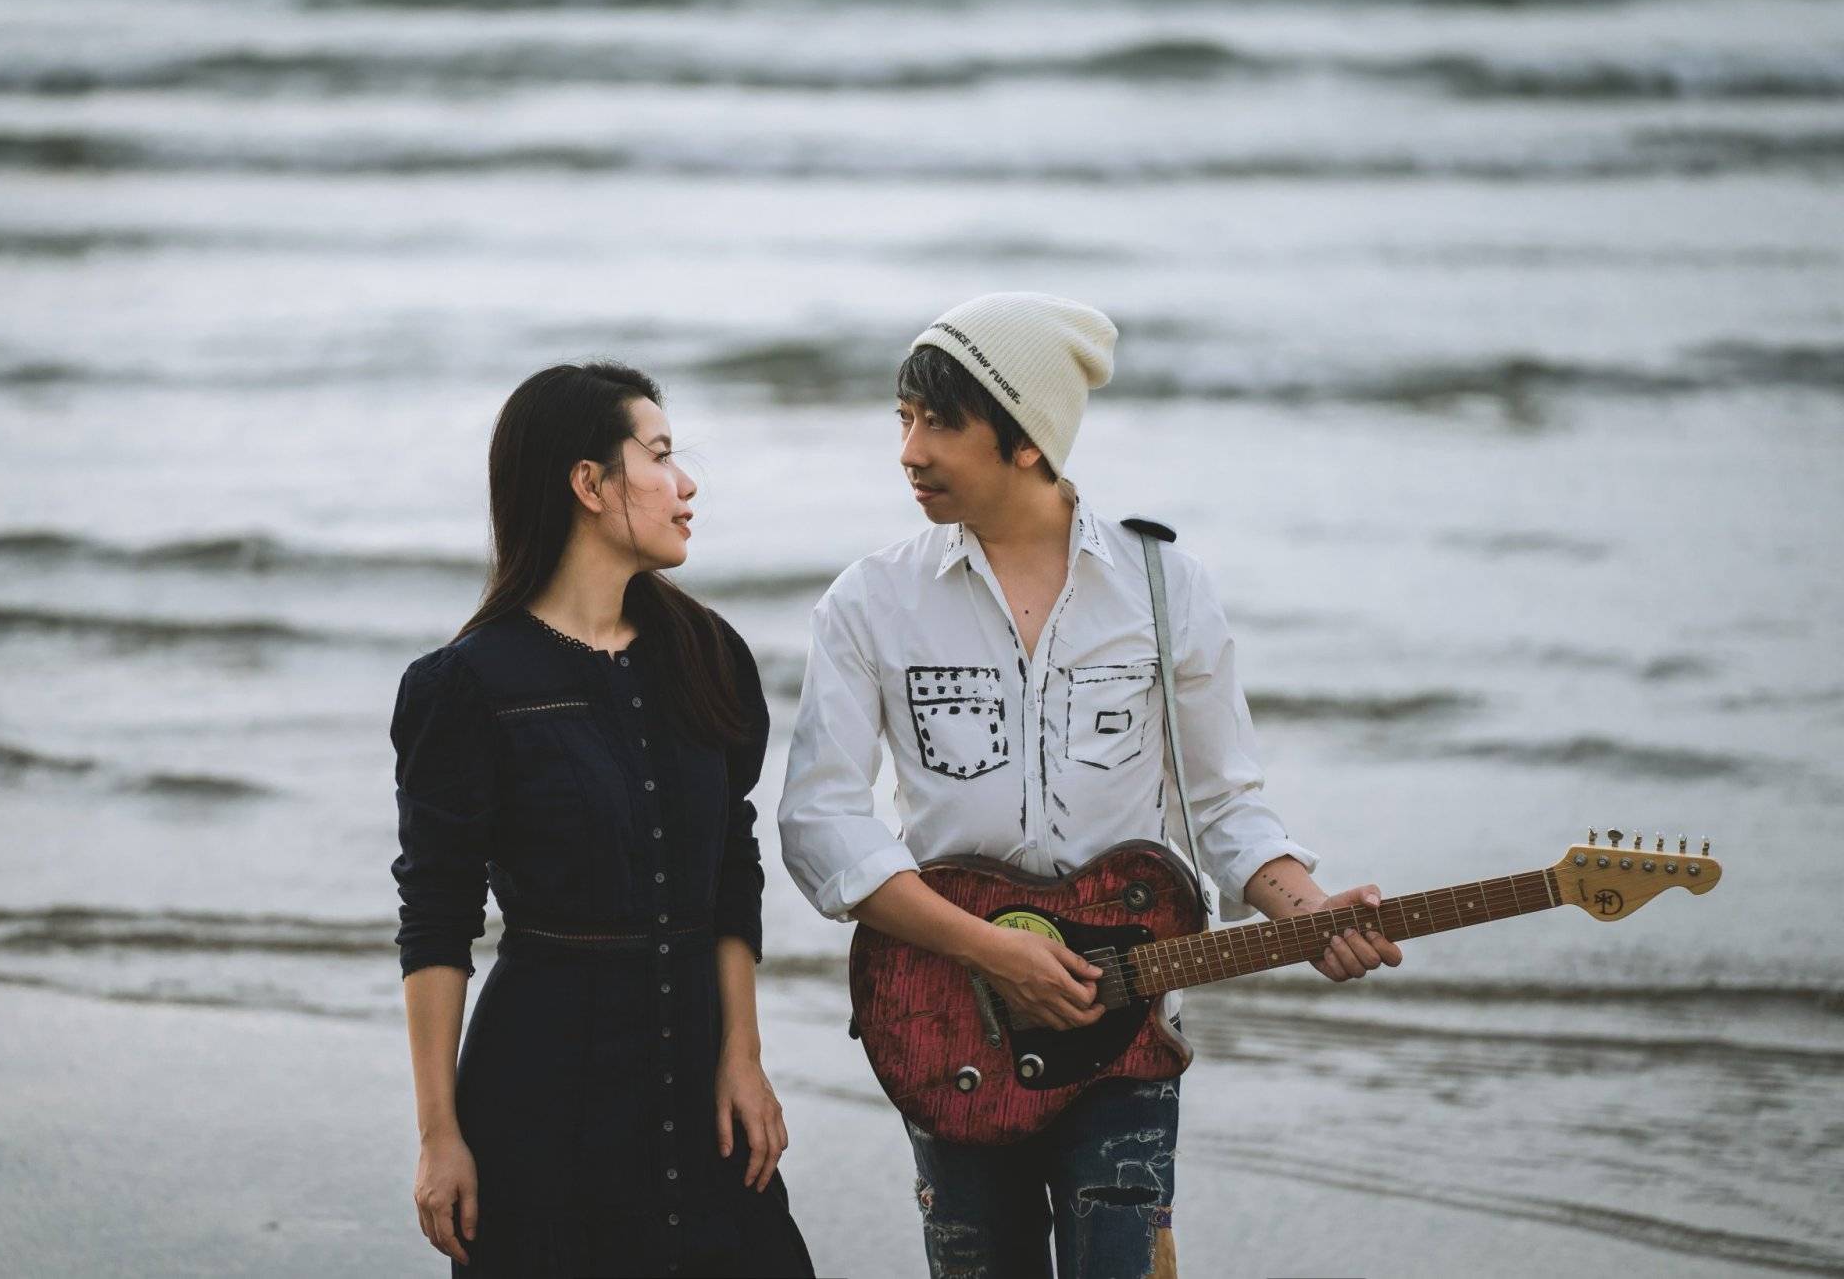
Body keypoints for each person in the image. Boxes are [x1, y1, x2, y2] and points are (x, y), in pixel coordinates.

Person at [777, 293, 1402, 1278]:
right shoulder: (871, 600)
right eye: (903, 418)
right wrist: (992, 951)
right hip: (945, 1016)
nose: (908, 450)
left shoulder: (1163, 586)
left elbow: (1223, 803)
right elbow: (820, 822)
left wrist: (1306, 910)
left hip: (1129, 1029)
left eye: (939, 422)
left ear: (1027, 439)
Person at [390, 361, 814, 1278]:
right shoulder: (464, 686)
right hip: (541, 1096)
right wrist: (438, 1133)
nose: (685, 483)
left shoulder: (707, 653)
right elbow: (437, 916)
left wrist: (742, 1054)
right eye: (659, 456)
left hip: (701, 1081)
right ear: (589, 483)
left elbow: (730, 865)